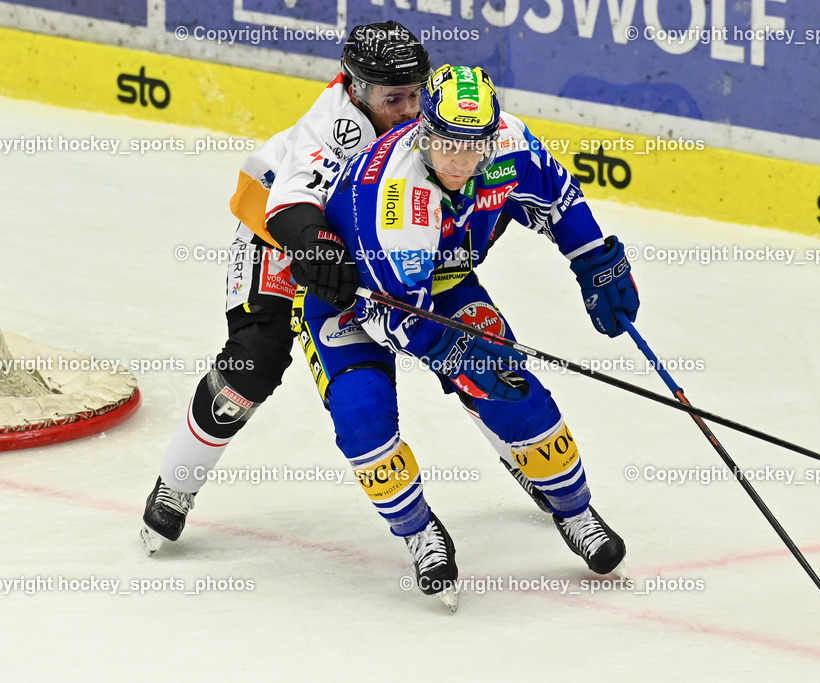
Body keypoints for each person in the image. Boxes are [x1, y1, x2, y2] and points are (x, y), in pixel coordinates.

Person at [140, 24, 543, 555]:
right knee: (253, 361)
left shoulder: (434, 119)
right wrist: (317, 248)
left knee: (460, 342)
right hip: (279, 238)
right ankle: (177, 481)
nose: (408, 109)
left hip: (369, 243)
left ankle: (523, 454)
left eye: (415, 93)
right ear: (356, 89)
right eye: (392, 99)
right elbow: (290, 205)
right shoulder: (333, 126)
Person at [295, 64, 640, 606]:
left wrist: (594, 260)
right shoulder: (395, 199)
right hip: (353, 300)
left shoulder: (509, 144)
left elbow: (558, 198)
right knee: (363, 419)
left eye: (472, 145)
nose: (458, 160)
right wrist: (456, 353)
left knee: (516, 394)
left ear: (492, 137)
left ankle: (574, 510)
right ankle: (417, 532)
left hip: (445, 282)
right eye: (446, 144)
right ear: (423, 132)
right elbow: (397, 318)